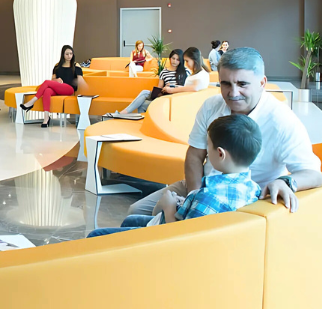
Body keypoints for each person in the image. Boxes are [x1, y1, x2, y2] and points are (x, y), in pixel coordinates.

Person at [128, 47, 322, 216]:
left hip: (244, 199)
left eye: (242, 84)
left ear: (262, 83)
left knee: (159, 224)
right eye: (226, 84)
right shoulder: (211, 106)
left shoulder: (282, 120)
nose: (233, 93)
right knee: (136, 212)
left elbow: (313, 173)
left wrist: (286, 181)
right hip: (202, 186)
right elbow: (195, 155)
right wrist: (195, 198)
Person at [88, 114, 263, 237]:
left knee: (96, 235)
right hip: (181, 223)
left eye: (208, 147)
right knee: (131, 220)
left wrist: (169, 207)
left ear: (220, 154)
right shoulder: (253, 189)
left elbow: (180, 240)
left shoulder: (208, 196)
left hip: (166, 240)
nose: (206, 153)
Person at [19, 45, 84, 128]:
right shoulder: (57, 67)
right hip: (58, 89)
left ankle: (32, 102)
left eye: (71, 54)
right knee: (47, 91)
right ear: (63, 55)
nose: (69, 56)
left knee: (46, 82)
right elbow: (52, 80)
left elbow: (80, 80)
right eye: (67, 54)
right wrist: (56, 81)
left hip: (69, 89)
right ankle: (46, 119)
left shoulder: (76, 66)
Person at [115, 49, 187, 115]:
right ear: (170, 58)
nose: (174, 61)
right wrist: (164, 88)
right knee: (145, 93)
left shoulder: (185, 72)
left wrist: (172, 87)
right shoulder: (164, 72)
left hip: (176, 99)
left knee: (142, 104)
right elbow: (160, 87)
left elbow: (186, 87)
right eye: (173, 58)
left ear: (181, 61)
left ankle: (124, 113)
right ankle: (126, 113)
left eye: (177, 59)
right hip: (164, 96)